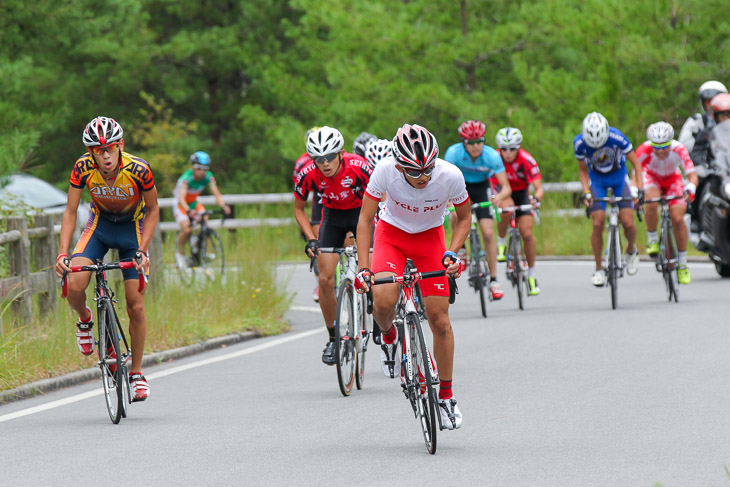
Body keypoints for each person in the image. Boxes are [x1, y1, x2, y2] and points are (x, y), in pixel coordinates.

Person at [354, 123, 470, 430]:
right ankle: (390, 338)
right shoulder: (384, 171)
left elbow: (464, 217)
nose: (423, 177)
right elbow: (365, 219)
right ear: (399, 165)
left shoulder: (450, 175)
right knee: (382, 301)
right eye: (414, 171)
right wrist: (364, 268)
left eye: (428, 169)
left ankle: (445, 396)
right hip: (391, 236)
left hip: (431, 239)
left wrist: (453, 252)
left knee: (440, 321)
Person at [54, 116, 159, 402]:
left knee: (135, 305)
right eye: (98, 150)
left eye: (110, 148)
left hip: (131, 232)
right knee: (74, 284)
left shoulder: (139, 169)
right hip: (99, 228)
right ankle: (86, 320)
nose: (105, 155)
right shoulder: (82, 168)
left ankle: (136, 372)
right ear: (90, 152)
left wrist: (143, 250)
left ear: (120, 145)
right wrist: (63, 252)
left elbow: (153, 211)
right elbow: (70, 212)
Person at [293, 126, 373, 365]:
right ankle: (333, 338)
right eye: (319, 159)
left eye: (329, 157)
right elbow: (298, 209)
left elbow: (382, 196)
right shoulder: (307, 173)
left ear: (341, 153)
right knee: (325, 280)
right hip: (333, 217)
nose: (325, 163)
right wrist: (310, 237)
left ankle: (378, 315)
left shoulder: (359, 166)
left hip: (361, 213)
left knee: (374, 267)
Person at [443, 120, 511, 300]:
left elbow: (506, 187)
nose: (476, 146)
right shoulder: (453, 153)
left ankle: (494, 280)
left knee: (488, 233)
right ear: (464, 143)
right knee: (456, 213)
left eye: (479, 141)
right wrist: (448, 200)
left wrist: (499, 197)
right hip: (460, 186)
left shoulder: (491, 156)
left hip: (482, 188)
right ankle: (462, 249)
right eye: (471, 143)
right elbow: (444, 181)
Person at [574, 112, 643, 286]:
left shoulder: (616, 137)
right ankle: (598, 269)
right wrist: (586, 192)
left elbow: (636, 163)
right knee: (597, 223)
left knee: (628, 222)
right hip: (597, 181)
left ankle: (631, 249)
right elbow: (582, 170)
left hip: (619, 178)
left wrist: (638, 189)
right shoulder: (579, 143)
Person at [635, 122, 698, 284]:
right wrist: (635, 192)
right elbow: (636, 176)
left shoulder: (679, 149)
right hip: (652, 177)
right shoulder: (643, 150)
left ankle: (682, 265)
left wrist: (690, 188)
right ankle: (652, 240)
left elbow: (692, 175)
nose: (661, 151)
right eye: (656, 147)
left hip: (673, 179)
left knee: (678, 219)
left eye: (665, 147)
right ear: (651, 144)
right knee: (651, 202)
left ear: (671, 143)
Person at [493, 127, 545, 295]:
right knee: (506, 209)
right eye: (504, 149)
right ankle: (501, 242)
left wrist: (535, 199)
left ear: (519, 147)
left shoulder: (526, 160)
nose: (508, 153)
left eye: (512, 149)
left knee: (527, 234)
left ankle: (532, 274)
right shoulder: (494, 158)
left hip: (522, 194)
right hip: (502, 191)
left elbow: (539, 188)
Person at [678, 81, 727, 232]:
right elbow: (687, 148)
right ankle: (695, 218)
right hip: (707, 166)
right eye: (708, 102)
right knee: (699, 179)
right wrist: (700, 163)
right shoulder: (698, 124)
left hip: (726, 167)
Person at [173, 151, 231, 267]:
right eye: (199, 169)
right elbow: (181, 198)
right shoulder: (186, 178)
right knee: (187, 230)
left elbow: (216, 193)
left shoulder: (209, 177)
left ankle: (204, 251)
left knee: (205, 223)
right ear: (193, 167)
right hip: (181, 204)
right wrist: (188, 211)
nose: (202, 172)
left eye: (205, 169)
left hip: (194, 202)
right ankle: (179, 253)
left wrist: (223, 206)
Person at [294, 127, 324, 302]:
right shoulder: (302, 164)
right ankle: (320, 283)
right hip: (319, 198)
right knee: (316, 242)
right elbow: (300, 193)